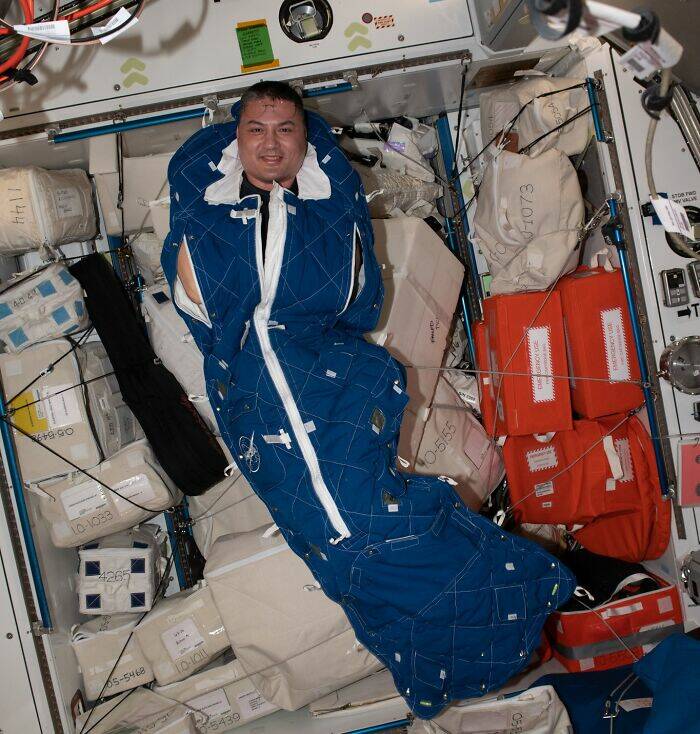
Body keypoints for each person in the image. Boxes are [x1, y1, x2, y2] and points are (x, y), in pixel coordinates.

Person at [162, 80, 574, 720]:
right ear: (235, 139)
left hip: (332, 382)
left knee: (357, 535)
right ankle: (479, 626)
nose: (270, 143)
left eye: (286, 130)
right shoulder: (209, 208)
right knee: (338, 544)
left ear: (304, 141)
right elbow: (201, 294)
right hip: (256, 397)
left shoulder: (330, 207)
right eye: (255, 130)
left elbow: (358, 301)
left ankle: (487, 625)